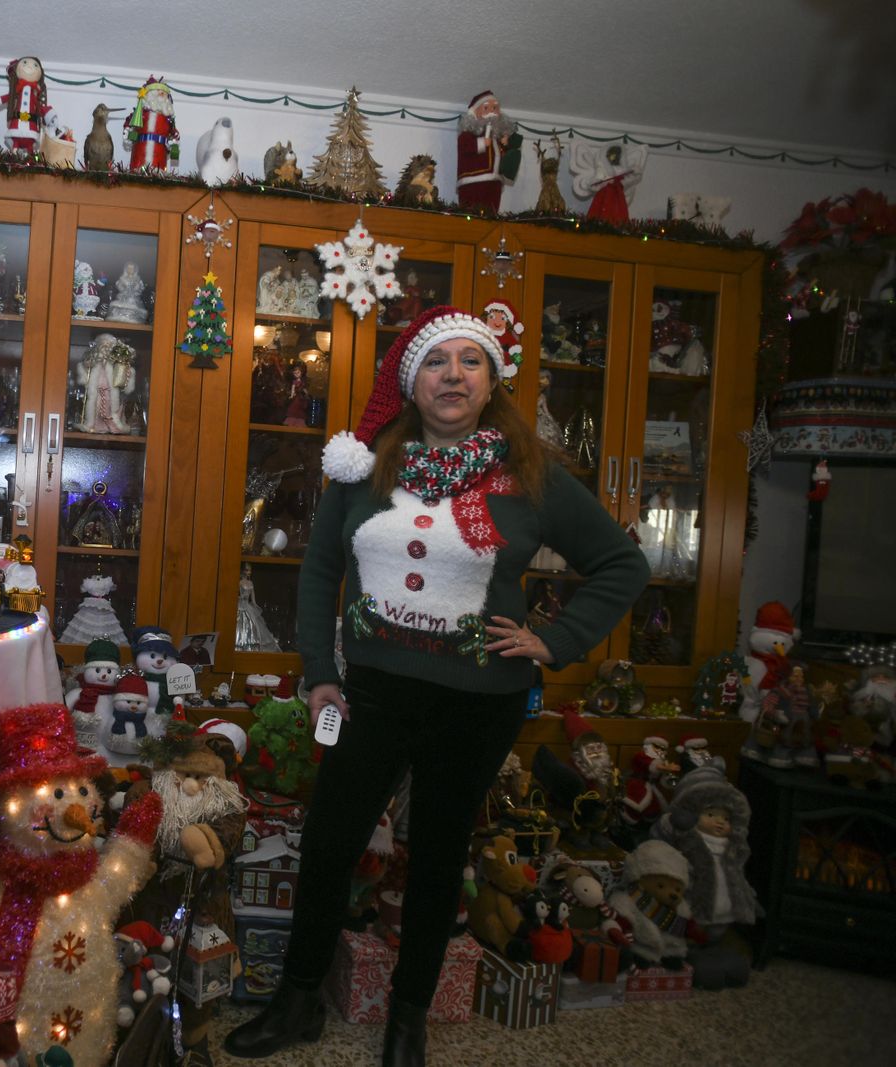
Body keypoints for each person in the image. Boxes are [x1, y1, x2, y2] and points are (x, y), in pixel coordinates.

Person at [224, 306, 647, 1065]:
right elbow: (320, 572)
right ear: (411, 382)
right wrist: (320, 674)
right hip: (373, 694)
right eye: (435, 362)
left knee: (438, 855)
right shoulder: (363, 466)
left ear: (492, 382)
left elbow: (622, 563)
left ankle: (407, 1020)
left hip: (478, 702)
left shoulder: (532, 476)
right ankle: (298, 998)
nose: (452, 375)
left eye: (470, 361)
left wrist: (555, 640)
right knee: (327, 843)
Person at [455, 91, 521, 215]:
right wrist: (482, 143)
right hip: (473, 181)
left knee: (491, 211)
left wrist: (505, 144)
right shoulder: (468, 134)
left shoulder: (497, 136)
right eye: (486, 107)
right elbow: (464, 146)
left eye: (495, 107)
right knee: (471, 211)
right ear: (474, 113)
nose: (492, 111)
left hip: (494, 181)